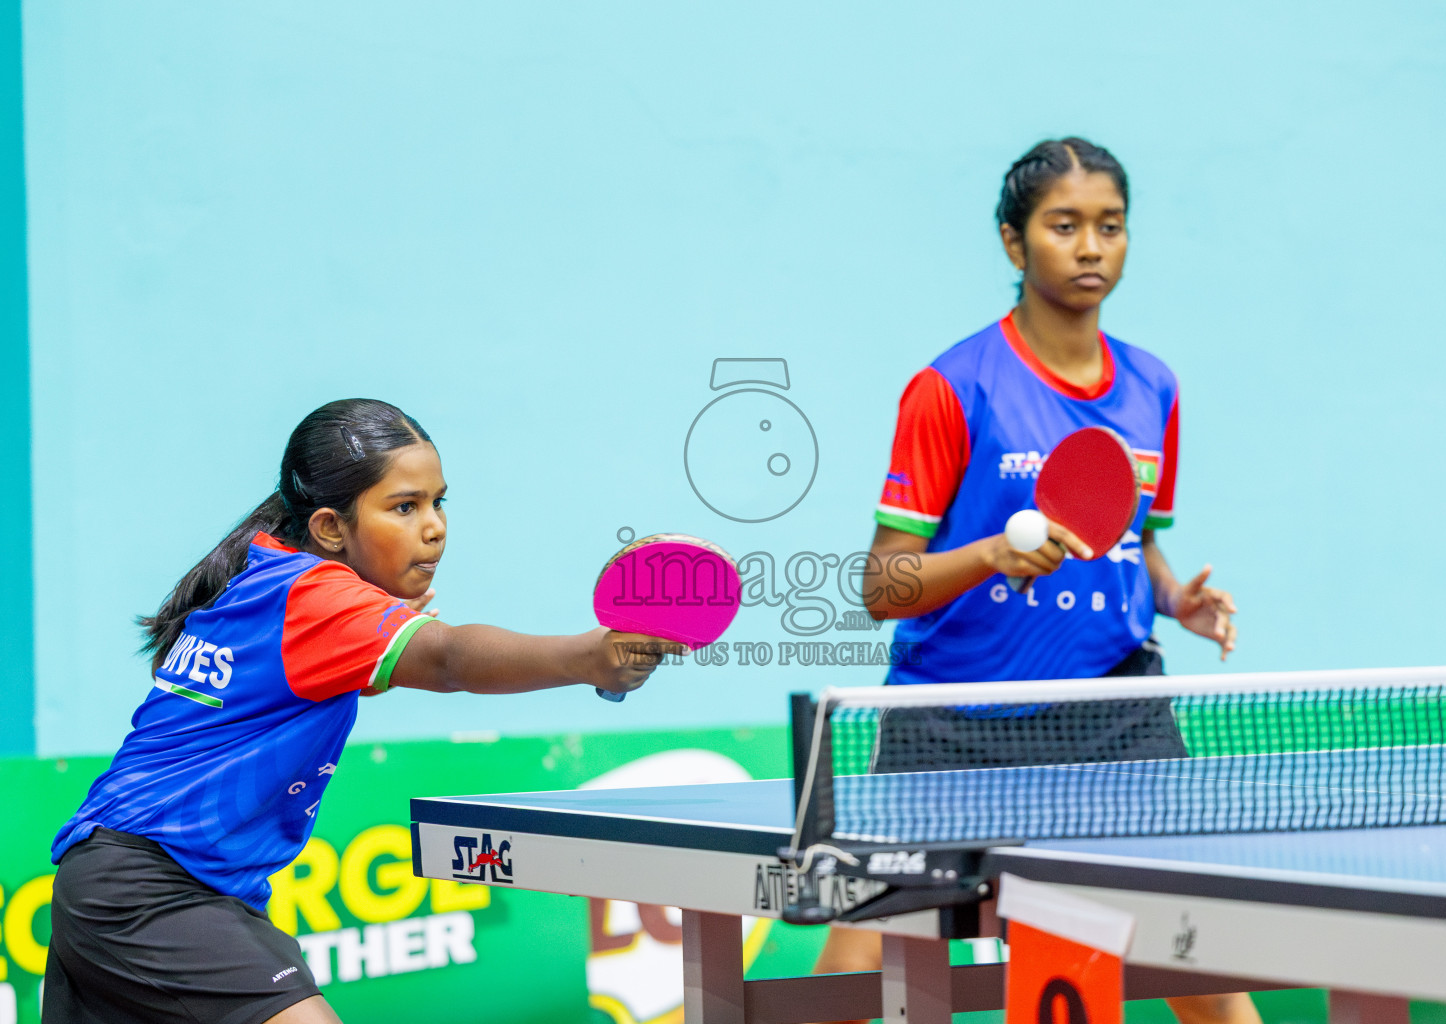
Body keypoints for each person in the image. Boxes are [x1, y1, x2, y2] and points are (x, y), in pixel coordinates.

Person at [43, 399, 680, 1024]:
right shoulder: (318, 597)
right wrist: (591, 658)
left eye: (438, 501)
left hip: (120, 880)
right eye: (404, 507)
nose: (434, 526)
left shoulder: (269, 578)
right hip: (149, 890)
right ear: (329, 527)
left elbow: (287, 691)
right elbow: (450, 659)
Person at [814, 139, 1256, 1024]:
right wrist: (989, 556)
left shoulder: (1153, 388)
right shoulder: (952, 388)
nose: (1091, 247)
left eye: (1111, 227)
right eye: (1064, 226)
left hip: (1112, 711)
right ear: (1015, 245)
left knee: (1185, 945)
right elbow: (881, 585)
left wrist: (1176, 599)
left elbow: (1132, 544)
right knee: (866, 946)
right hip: (951, 718)